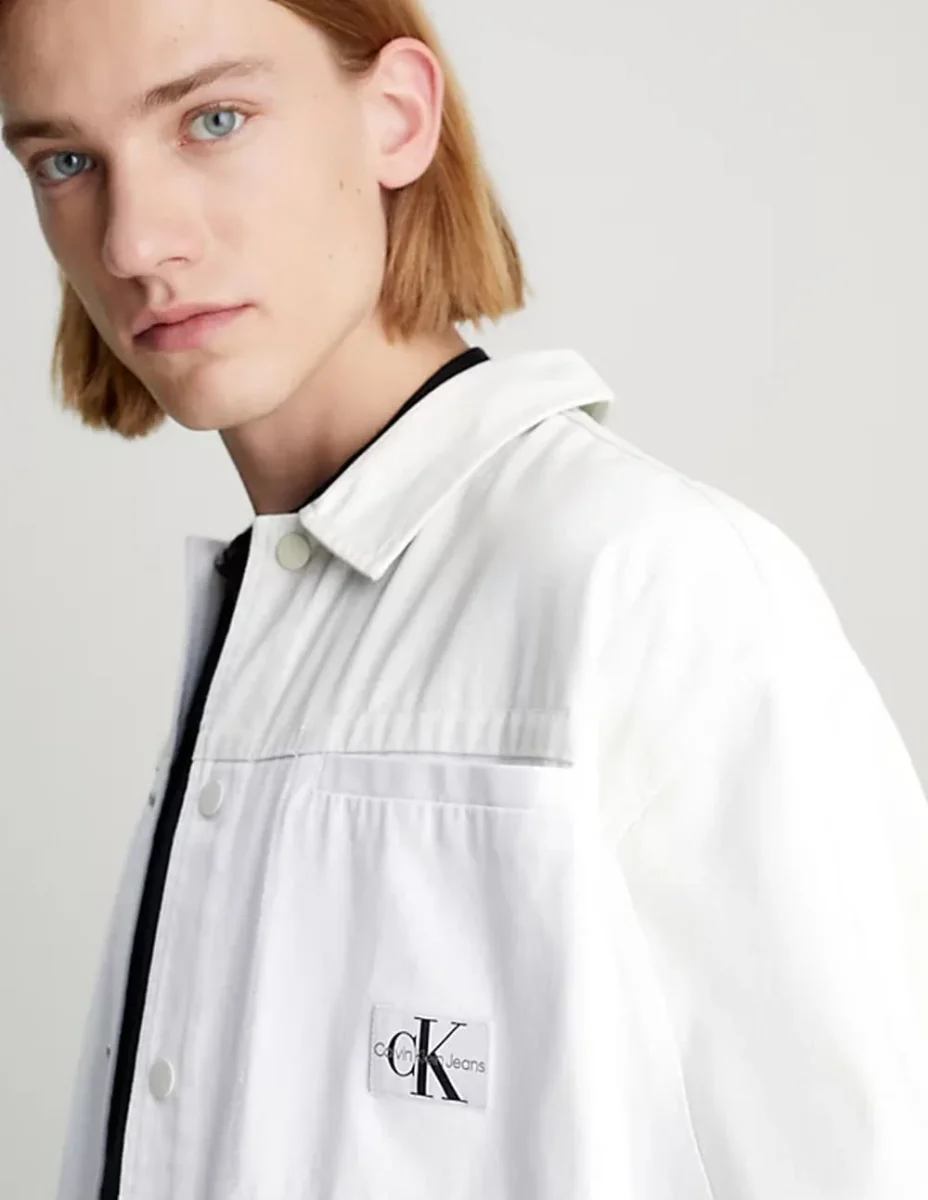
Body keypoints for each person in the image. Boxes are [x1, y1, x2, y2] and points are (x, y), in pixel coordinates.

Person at [2, 0, 927, 1197]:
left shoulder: (650, 584)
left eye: (213, 120)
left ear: (397, 116)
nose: (132, 242)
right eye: (65, 162)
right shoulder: (254, 623)